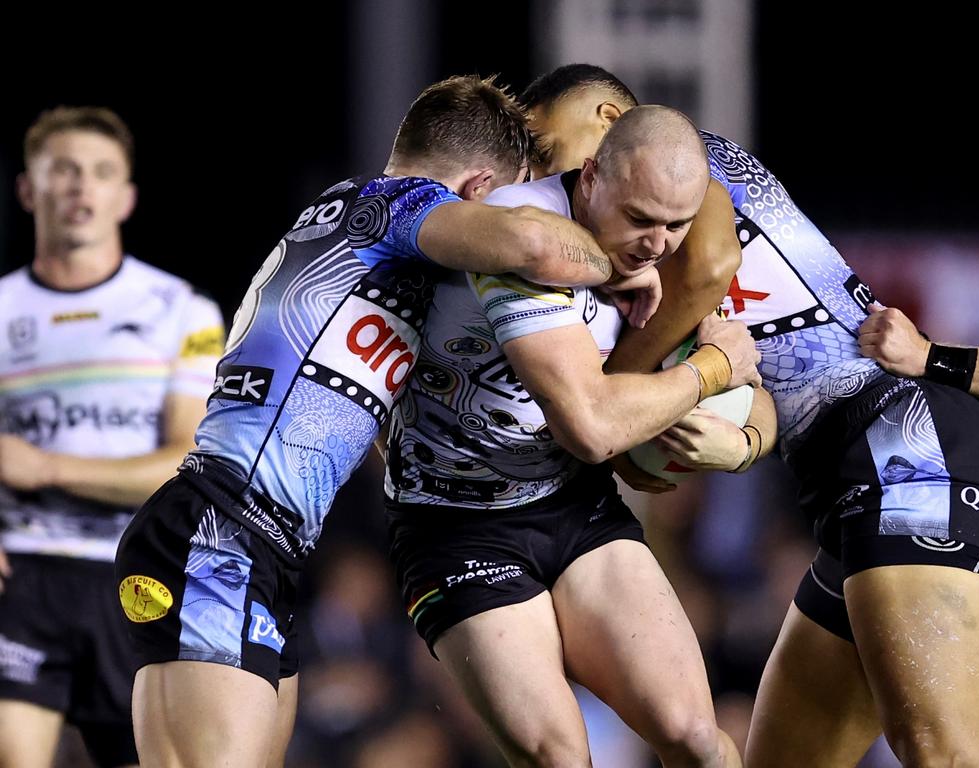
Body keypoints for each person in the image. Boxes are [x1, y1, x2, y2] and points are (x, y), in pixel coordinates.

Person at [113, 74, 659, 768]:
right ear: (476, 191)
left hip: (262, 548)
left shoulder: (361, 246)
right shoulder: (392, 204)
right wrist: (624, 260)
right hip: (220, 532)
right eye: (513, 193)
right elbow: (533, 243)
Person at [525, 63, 979, 767]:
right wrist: (723, 440)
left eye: (547, 149)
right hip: (855, 482)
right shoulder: (637, 256)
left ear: (610, 124)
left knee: (944, 752)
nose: (546, 173)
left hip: (906, 447)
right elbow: (760, 387)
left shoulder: (678, 165)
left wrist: (609, 404)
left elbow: (710, 266)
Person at [384, 104, 762, 768]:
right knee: (560, 756)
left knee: (699, 740)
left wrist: (747, 440)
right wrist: (712, 368)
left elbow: (761, 386)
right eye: (640, 219)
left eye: (675, 225)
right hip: (455, 524)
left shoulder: (652, 243)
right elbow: (592, 428)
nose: (656, 243)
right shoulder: (516, 233)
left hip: (572, 506)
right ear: (589, 178)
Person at [0, 106, 225, 768]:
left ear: (125, 197)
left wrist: (42, 467)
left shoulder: (182, 309)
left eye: (100, 173)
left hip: (135, 574)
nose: (81, 188)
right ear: (27, 189)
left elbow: (185, 461)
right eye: (62, 170)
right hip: (22, 576)